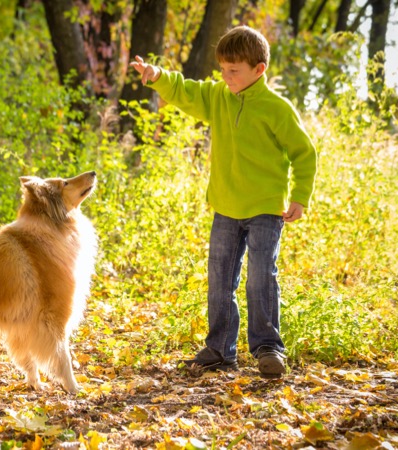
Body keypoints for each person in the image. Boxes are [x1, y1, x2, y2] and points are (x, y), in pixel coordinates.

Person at [130, 26, 317, 378]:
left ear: (259, 70)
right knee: (220, 279)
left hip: (266, 207)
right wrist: (156, 76)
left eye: (234, 71)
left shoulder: (277, 108)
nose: (226, 77)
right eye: (223, 70)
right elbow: (186, 90)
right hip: (226, 207)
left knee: (261, 278)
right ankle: (219, 349)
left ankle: (268, 348)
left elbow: (304, 154)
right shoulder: (218, 96)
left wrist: (300, 197)